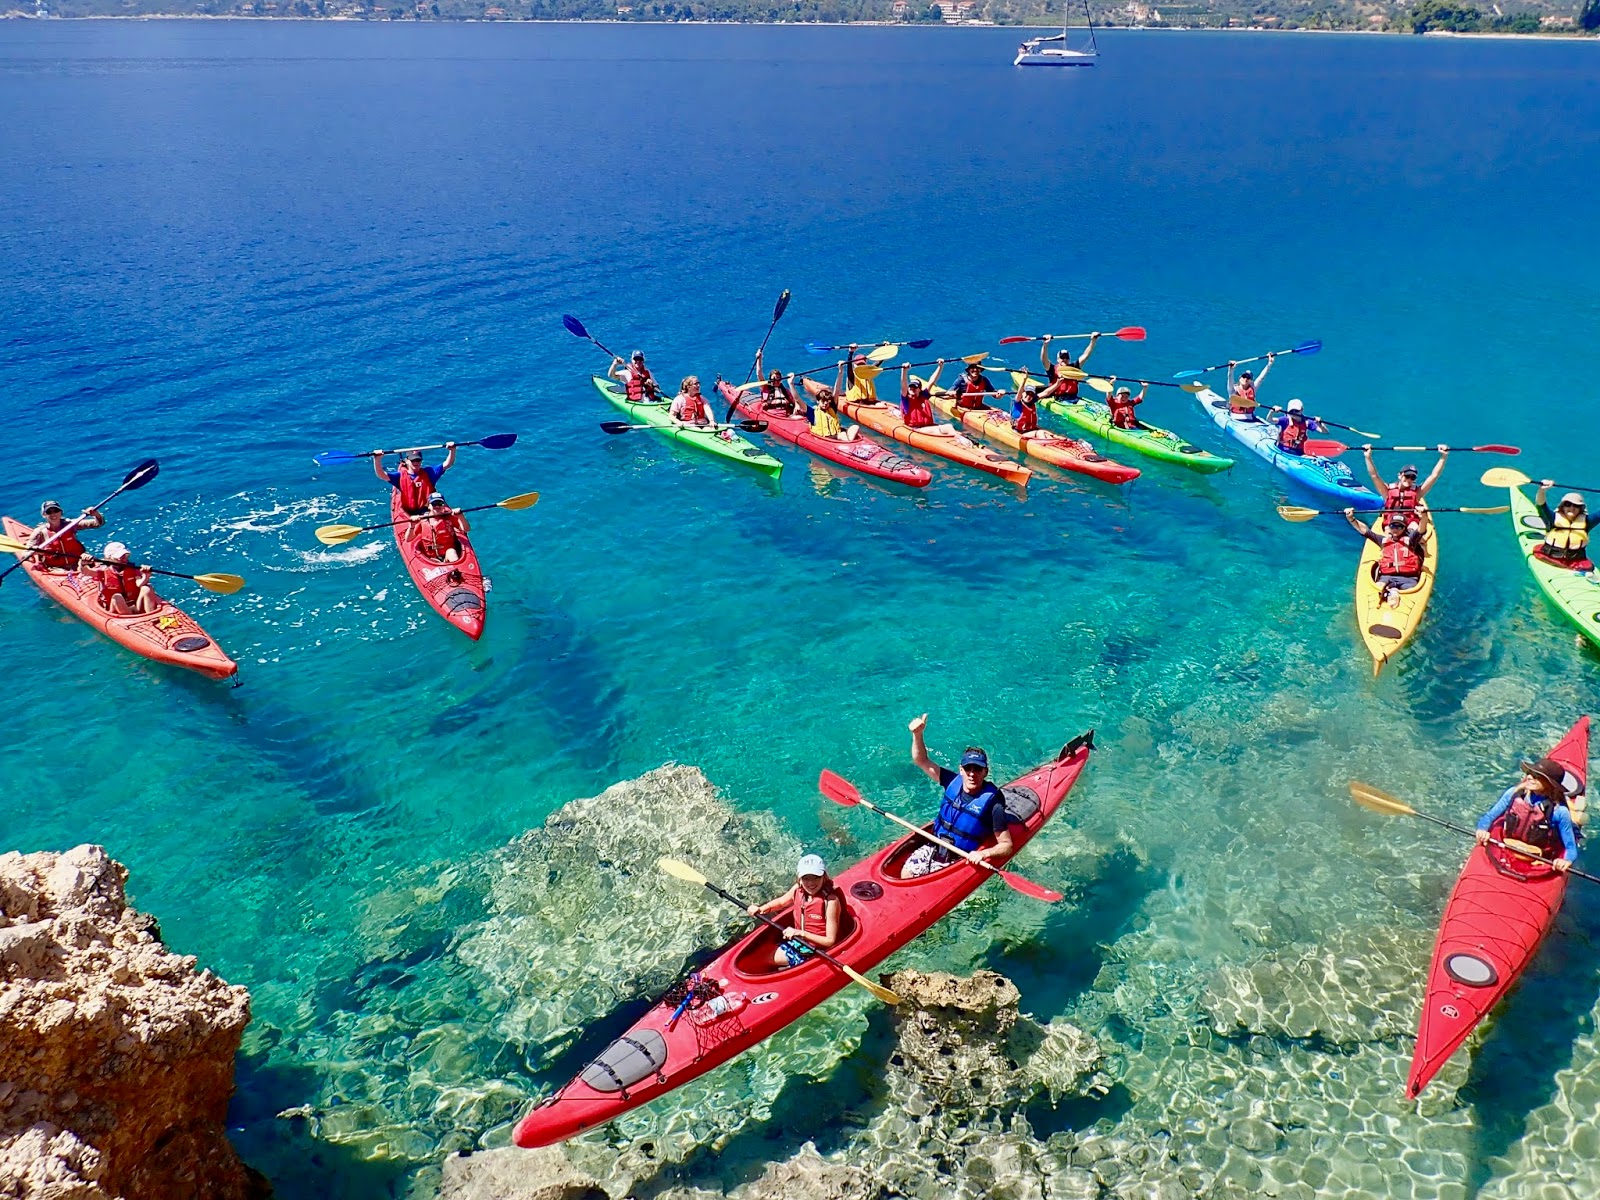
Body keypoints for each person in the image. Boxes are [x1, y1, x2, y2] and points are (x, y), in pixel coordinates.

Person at [905, 713, 1017, 878]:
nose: (972, 774)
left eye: (977, 769)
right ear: (961, 770)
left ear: (985, 772)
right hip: (934, 846)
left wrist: (984, 854)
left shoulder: (993, 803)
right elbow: (921, 760)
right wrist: (917, 734)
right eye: (968, 768)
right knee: (906, 873)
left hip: (960, 858)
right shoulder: (951, 781)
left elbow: (1007, 845)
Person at [1476, 754, 1581, 873]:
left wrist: (1566, 861)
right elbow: (1489, 816)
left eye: (1537, 776)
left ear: (1550, 783)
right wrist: (1482, 829)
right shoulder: (1513, 794)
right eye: (1530, 773)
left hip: (1537, 858)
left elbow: (1570, 848)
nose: (1530, 777)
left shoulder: (1560, 812)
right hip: (1507, 847)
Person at [747, 853, 843, 968]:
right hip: (798, 943)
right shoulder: (798, 890)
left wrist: (800, 933)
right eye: (806, 878)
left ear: (824, 877)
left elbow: (830, 941)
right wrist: (761, 908)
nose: (811, 883)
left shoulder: (831, 901)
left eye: (816, 877)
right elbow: (781, 902)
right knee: (758, 956)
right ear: (799, 879)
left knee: (762, 960)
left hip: (817, 952)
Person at [1345, 508, 1429, 608]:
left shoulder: (1411, 540)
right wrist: (1351, 519)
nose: (1395, 529)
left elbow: (1421, 529)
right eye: (1393, 526)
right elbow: (1365, 531)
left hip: (1409, 578)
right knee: (1378, 587)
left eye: (1399, 526)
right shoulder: (1383, 541)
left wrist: (1424, 515)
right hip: (1387, 577)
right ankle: (1390, 593)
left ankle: (1393, 593)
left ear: (1404, 528)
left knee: (1407, 592)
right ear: (1389, 527)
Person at [1363, 448, 1447, 524]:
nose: (1409, 479)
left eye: (1412, 477)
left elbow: (1434, 476)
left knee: (1413, 527)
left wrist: (1443, 457)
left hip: (1410, 525)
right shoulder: (1387, 491)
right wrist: (1368, 457)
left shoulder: (1417, 493)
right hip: (1391, 525)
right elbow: (1374, 475)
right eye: (1407, 476)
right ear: (1399, 475)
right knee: (1390, 530)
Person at [1531, 482, 1598, 571]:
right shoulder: (1552, 518)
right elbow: (1541, 505)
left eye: (1576, 506)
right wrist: (1542, 490)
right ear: (1562, 507)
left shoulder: (1587, 521)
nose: (1572, 508)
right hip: (1549, 558)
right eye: (1568, 504)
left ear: (1581, 508)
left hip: (1576, 561)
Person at [376, 444, 457, 515]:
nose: (416, 462)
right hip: (410, 512)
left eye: (418, 460)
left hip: (429, 510)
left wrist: (452, 450)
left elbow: (447, 464)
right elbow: (381, 475)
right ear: (406, 461)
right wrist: (377, 459)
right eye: (413, 460)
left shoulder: (429, 472)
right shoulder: (400, 476)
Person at [26, 500, 104, 572]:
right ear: (44, 515)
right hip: (56, 569)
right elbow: (26, 553)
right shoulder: (40, 532)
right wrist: (34, 552)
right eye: (49, 512)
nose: (53, 514)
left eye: (56, 511)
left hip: (79, 562)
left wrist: (96, 514)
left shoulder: (71, 524)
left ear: (61, 512)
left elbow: (98, 523)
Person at [90, 542, 159, 615]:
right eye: (119, 557)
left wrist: (146, 575)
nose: (123, 559)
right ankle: (131, 620)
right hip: (115, 608)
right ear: (109, 558)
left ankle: (152, 617)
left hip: (134, 605)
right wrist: (83, 563)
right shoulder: (102, 570)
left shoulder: (132, 568)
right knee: (117, 597)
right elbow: (86, 572)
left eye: (125, 556)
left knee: (147, 588)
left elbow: (139, 584)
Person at [407, 493, 471, 564]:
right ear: (429, 506)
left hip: (447, 555)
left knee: (451, 552)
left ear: (443, 506)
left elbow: (466, 529)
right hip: (431, 559)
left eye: (440, 503)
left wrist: (461, 516)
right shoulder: (422, 521)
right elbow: (408, 538)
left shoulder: (449, 517)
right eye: (434, 504)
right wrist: (412, 525)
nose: (437, 506)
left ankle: (457, 570)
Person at [1038, 333, 1100, 402]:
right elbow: (1044, 359)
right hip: (1059, 399)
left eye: (1066, 358)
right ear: (1058, 359)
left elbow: (1086, 355)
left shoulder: (1074, 367)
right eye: (1062, 357)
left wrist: (1093, 341)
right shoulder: (1052, 369)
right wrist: (1045, 345)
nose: (1064, 359)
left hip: (1074, 398)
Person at [745, 351, 804, 418]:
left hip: (786, 417)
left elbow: (796, 400)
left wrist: (797, 406)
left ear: (781, 379)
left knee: (800, 417)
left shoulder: (785, 391)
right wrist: (759, 359)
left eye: (778, 379)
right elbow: (759, 373)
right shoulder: (765, 388)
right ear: (770, 379)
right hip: (771, 416)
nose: (776, 381)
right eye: (773, 379)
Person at [1226, 354, 1274, 419]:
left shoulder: (1253, 388)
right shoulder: (1233, 390)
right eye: (1244, 376)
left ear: (1251, 381)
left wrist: (1270, 363)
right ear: (1240, 378)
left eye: (1248, 378)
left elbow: (1261, 378)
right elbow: (1230, 378)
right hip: (1236, 418)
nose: (1245, 379)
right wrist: (1231, 369)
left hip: (1250, 417)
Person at [901, 362, 937, 429]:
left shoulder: (924, 396)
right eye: (911, 387)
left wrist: (940, 366)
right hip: (916, 429)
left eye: (915, 387)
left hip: (928, 427)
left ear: (920, 389)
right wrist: (904, 370)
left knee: (949, 427)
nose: (912, 388)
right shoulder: (906, 400)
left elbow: (932, 381)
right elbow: (903, 384)